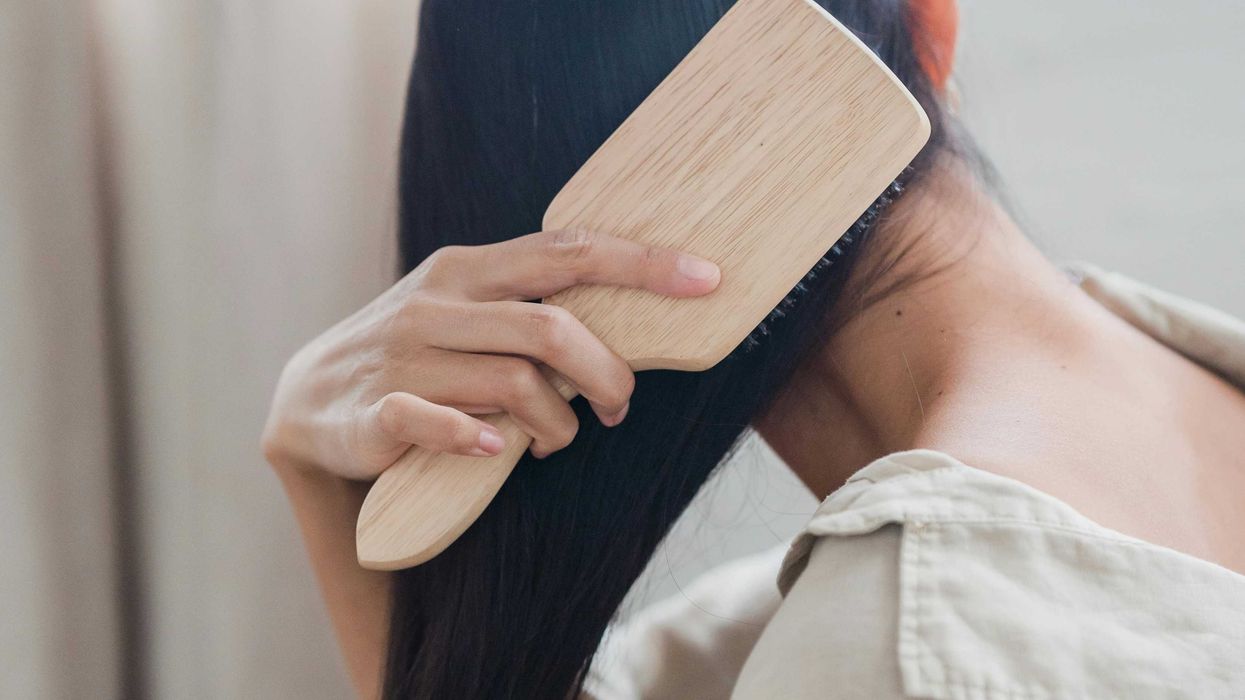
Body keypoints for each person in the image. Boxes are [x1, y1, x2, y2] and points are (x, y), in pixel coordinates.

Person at [261, 0, 1245, 697]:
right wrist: (316, 478)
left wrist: (328, 474)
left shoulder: (897, 636)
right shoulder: (1192, 411)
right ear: (934, 24)